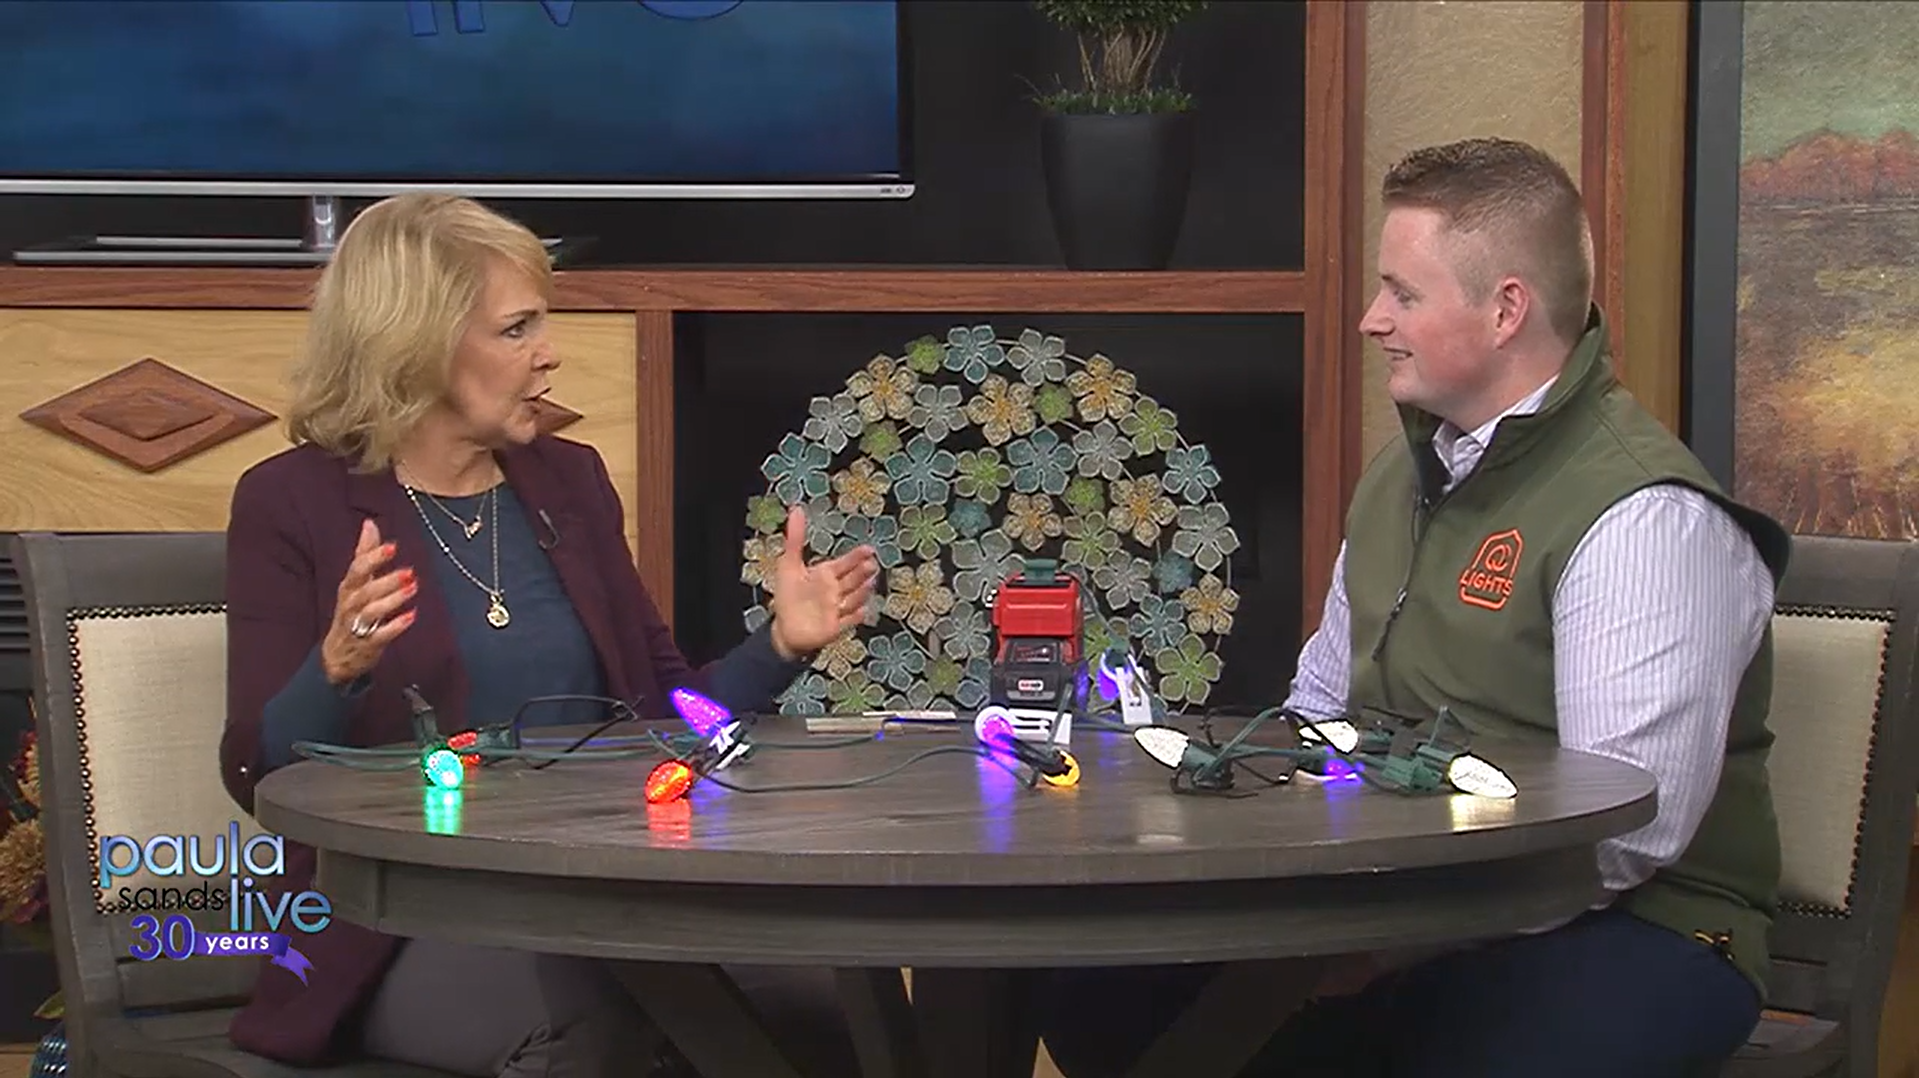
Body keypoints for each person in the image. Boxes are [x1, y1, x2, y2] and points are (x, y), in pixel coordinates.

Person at [1036, 138, 1793, 1077]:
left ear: (1505, 309)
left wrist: (1392, 943)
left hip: (1639, 930)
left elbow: (1625, 833)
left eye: (1402, 293)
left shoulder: (1644, 517)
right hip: (1400, 908)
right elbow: (1315, 711)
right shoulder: (1401, 473)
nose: (1370, 319)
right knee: (1102, 993)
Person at [218, 192, 881, 1078]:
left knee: (822, 1005)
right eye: (516, 328)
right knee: (595, 1028)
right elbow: (259, 771)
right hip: (400, 924)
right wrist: (335, 667)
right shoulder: (291, 503)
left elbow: (666, 719)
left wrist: (780, 646)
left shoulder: (568, 482)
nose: (549, 352)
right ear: (418, 344)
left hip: (604, 895)